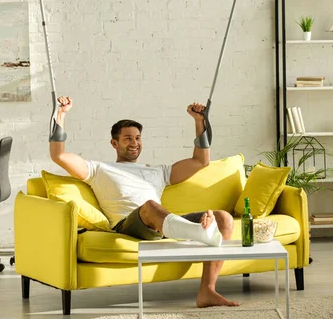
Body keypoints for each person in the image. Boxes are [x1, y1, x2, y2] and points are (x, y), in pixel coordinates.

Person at [49, 96, 239, 308]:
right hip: (128, 225)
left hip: (162, 222)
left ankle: (208, 291)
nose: (134, 143)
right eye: (128, 138)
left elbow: (200, 161)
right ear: (114, 143)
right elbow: (59, 156)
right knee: (149, 206)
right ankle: (199, 232)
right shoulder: (98, 169)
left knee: (223, 218)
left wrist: (199, 121)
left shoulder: (158, 171)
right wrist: (61, 115)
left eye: (138, 138)